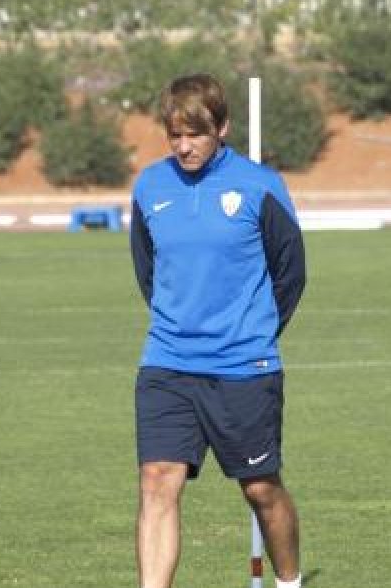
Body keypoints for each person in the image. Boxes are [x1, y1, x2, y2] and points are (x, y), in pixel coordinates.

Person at [129, 73, 307, 588]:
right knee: (158, 480)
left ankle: (289, 582)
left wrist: (252, 332)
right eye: (175, 135)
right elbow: (148, 271)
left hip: (243, 367)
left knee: (260, 489)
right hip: (167, 362)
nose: (184, 147)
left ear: (223, 127)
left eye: (197, 135)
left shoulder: (261, 185)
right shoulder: (150, 187)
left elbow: (291, 272)